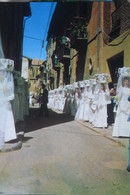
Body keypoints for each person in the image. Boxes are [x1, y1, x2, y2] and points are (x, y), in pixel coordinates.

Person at [0, 59, 17, 150]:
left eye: (2, 73)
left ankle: (8, 137)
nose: (1, 75)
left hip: (5, 103)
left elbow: (6, 91)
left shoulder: (9, 82)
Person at [112, 69, 130, 137]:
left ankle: (127, 133)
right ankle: (121, 132)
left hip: (128, 104)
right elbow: (119, 96)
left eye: (127, 81)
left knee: (127, 119)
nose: (126, 82)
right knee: (122, 118)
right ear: (123, 82)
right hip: (122, 104)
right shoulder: (122, 88)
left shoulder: (129, 89)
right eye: (125, 81)